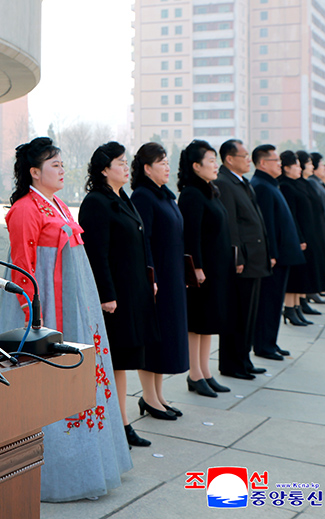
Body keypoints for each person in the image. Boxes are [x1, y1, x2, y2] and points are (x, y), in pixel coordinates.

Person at [0, 137, 132, 502]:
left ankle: (87, 465)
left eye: (61, 163)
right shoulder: (25, 209)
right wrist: (35, 319)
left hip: (72, 306)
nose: (62, 169)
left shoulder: (57, 205)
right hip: (47, 311)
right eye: (54, 164)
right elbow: (22, 268)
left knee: (83, 380)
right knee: (47, 386)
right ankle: (52, 475)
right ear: (34, 172)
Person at [79, 142, 165, 443]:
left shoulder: (122, 197)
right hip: (114, 299)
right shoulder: (96, 202)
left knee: (123, 361)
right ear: (104, 169)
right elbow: (97, 254)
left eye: (126, 162)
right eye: (120, 162)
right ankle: (120, 427)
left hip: (133, 293)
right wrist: (106, 295)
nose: (126, 167)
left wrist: (149, 277)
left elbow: (140, 242)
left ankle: (122, 424)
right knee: (115, 360)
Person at [131, 142, 190, 412]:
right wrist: (149, 277)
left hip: (173, 276)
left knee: (166, 338)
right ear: (147, 168)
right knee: (154, 339)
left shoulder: (165, 195)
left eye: (167, 162)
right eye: (161, 163)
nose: (167, 167)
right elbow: (143, 241)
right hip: (157, 279)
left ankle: (158, 396)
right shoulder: (143, 196)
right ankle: (149, 397)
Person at [177, 139, 234, 394]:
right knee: (197, 323)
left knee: (209, 321)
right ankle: (195, 374)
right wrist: (197, 267)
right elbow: (191, 235)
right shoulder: (192, 193)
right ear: (196, 166)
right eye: (210, 160)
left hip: (216, 269)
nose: (215, 165)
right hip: (201, 271)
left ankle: (206, 372)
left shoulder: (210, 189)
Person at [213, 139, 271, 373]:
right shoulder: (224, 182)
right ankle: (232, 364)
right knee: (237, 315)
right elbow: (230, 224)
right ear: (229, 159)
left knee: (249, 314)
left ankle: (244, 360)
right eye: (244, 156)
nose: (249, 160)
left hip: (255, 257)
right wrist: (236, 256)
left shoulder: (242, 182)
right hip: (242, 260)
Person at [250, 144, 304, 356]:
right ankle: (264, 345)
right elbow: (267, 225)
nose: (280, 164)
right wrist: (271, 253)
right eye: (276, 161)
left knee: (274, 302)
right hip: (274, 257)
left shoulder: (270, 184)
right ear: (263, 163)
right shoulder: (262, 186)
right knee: (268, 302)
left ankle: (270, 342)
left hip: (281, 255)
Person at [278, 151, 325, 325]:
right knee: (296, 276)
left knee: (303, 274)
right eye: (297, 165)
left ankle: (298, 306)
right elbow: (292, 215)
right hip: (298, 236)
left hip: (308, 234)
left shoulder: (299, 184)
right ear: (286, 168)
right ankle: (290, 309)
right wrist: (299, 237)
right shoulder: (285, 186)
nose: (300, 168)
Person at [297, 150, 325, 312]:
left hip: (316, 230)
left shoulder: (308, 184)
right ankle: (299, 302)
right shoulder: (300, 184)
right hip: (307, 233)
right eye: (309, 163)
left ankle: (307, 296)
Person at [307, 152, 325, 303]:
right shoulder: (313, 183)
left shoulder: (319, 184)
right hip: (322, 226)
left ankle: (319, 287)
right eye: (321, 165)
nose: (324, 168)